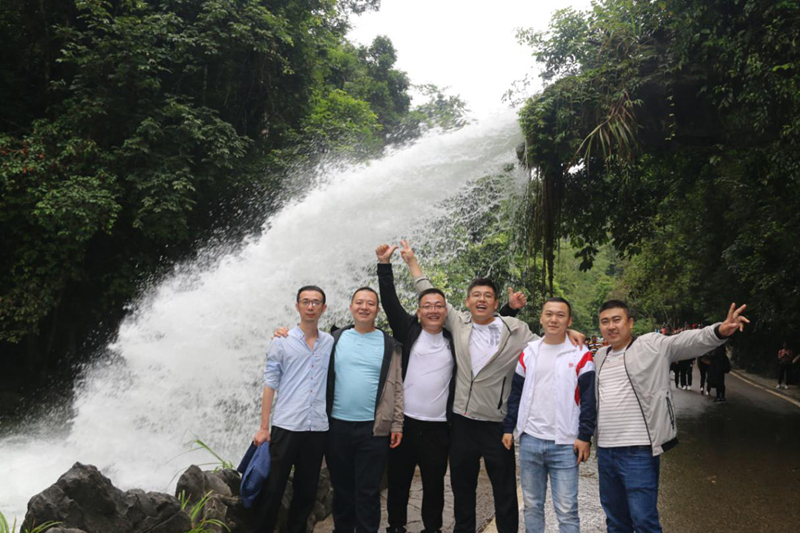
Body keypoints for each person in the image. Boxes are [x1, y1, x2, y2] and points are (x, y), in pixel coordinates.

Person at [400, 240, 584, 533]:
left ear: (496, 303)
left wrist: (567, 330)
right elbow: (429, 292)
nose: (481, 300)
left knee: (505, 491)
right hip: (462, 422)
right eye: (476, 295)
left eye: (488, 296)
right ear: (467, 301)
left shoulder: (516, 330)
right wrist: (412, 262)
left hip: (497, 426)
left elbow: (545, 345)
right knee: (462, 489)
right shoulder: (458, 323)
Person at [375, 243, 523, 533]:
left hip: (441, 428)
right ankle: (396, 527)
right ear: (418, 311)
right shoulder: (408, 330)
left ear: (447, 311)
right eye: (427, 306)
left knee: (434, 486)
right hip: (405, 424)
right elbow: (391, 301)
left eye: (439, 306)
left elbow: (485, 326)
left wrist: (509, 310)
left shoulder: (454, 336)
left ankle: (432, 529)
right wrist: (385, 265)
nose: (433, 310)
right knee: (399, 483)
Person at [594, 300, 748, 533]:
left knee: (644, 521)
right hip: (605, 451)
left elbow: (686, 341)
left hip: (639, 450)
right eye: (605, 322)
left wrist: (719, 330)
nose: (611, 326)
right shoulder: (600, 356)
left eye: (617, 320)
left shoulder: (651, 345)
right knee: (615, 522)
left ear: (630, 323)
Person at [274, 286, 405, 533]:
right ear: (351, 307)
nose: (364, 307)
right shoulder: (333, 339)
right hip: (336, 427)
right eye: (359, 302)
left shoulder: (390, 345)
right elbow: (305, 346)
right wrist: (283, 334)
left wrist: (397, 423)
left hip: (373, 429)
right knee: (342, 490)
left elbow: (397, 387)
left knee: (368, 491)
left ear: (377, 310)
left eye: (370, 303)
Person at [503, 297, 596, 533]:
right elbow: (516, 393)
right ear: (541, 318)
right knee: (532, 506)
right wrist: (508, 428)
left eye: (560, 315)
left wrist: (585, 436)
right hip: (530, 440)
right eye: (549, 314)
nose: (554, 319)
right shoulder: (529, 352)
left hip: (565, 444)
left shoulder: (580, 354)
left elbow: (588, 399)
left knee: (567, 510)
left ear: (569, 321)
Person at [251, 286, 334, 533]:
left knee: (306, 490)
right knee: (273, 488)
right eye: (305, 301)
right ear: (297, 306)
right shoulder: (282, 341)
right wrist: (264, 428)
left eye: (316, 302)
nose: (311, 306)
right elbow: (270, 383)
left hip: (317, 427)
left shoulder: (329, 342)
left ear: (324, 308)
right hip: (286, 425)